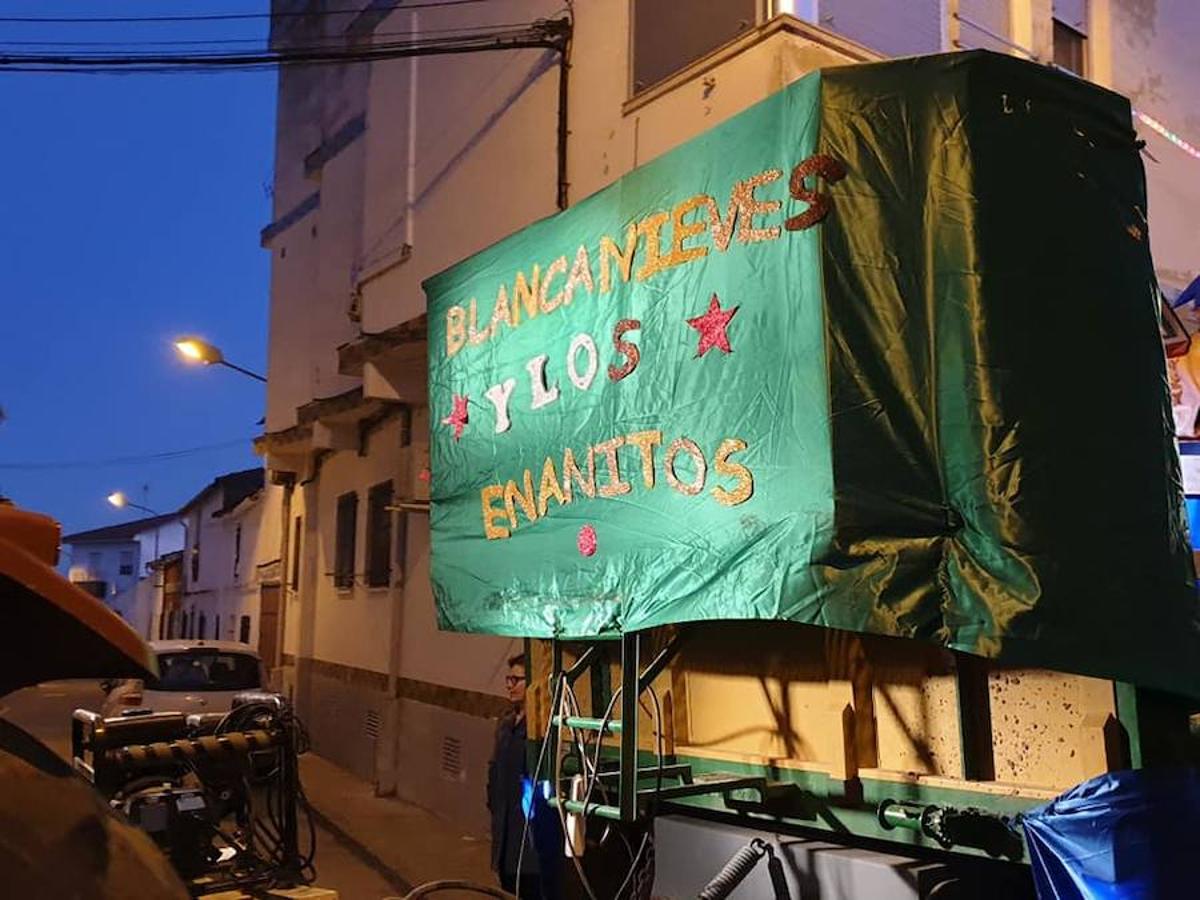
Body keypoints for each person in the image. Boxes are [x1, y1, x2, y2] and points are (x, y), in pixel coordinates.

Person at [487, 652, 542, 899]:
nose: (509, 685)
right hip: (505, 833)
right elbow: (494, 771)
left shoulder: (537, 730)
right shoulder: (506, 725)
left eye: (516, 679)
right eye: (508, 679)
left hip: (528, 839)